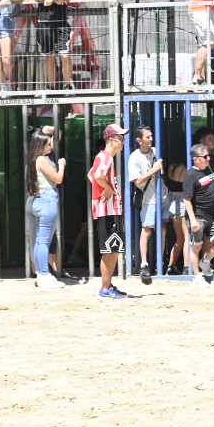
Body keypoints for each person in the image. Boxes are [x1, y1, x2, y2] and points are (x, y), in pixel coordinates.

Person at [88, 124, 129, 299]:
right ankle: (105, 288)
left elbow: (91, 175)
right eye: (121, 138)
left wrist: (101, 190)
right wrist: (109, 189)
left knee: (112, 249)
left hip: (107, 209)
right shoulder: (106, 158)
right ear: (113, 140)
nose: (123, 141)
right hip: (108, 210)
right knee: (111, 250)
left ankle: (108, 285)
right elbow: (97, 176)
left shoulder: (102, 157)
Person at [31, 0, 79, 91]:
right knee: (49, 56)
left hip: (62, 21)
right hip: (45, 22)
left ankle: (68, 84)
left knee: (65, 54)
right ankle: (51, 86)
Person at [26, 127, 66, 288]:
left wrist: (51, 129)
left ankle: (40, 273)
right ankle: (44, 274)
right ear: (40, 145)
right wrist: (62, 166)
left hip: (36, 200)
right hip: (47, 200)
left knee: (38, 241)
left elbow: (57, 138)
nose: (51, 144)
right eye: (48, 143)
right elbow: (57, 179)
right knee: (43, 241)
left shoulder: (34, 158)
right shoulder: (42, 160)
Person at [183, 142, 214, 284]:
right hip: (198, 216)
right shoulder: (190, 174)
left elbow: (207, 182)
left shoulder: (208, 169)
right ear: (196, 158)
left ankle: (205, 260)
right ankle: (197, 276)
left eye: (208, 156)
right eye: (205, 156)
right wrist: (193, 220)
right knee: (196, 245)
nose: (209, 158)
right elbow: (187, 199)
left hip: (212, 215)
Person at [128, 126, 164, 283]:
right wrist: (153, 170)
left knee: (163, 229)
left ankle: (161, 264)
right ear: (139, 140)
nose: (151, 139)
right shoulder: (134, 157)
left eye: (151, 136)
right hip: (148, 200)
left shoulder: (156, 151)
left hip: (163, 197)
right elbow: (137, 182)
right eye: (148, 137)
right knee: (147, 229)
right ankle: (144, 263)